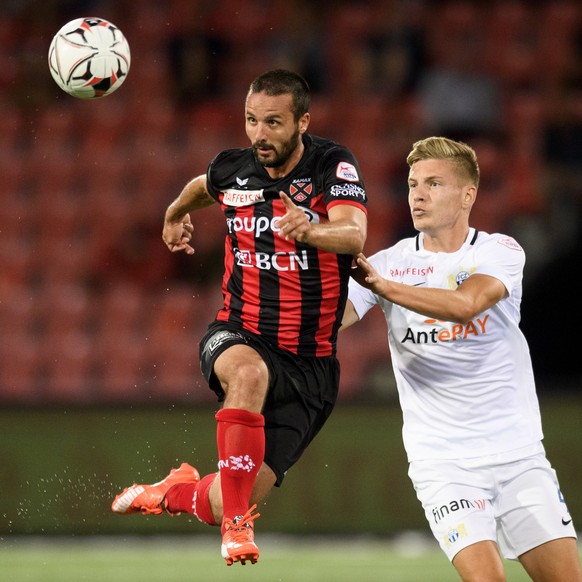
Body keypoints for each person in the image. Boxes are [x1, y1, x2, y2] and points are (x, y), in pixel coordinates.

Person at [111, 69, 368, 566]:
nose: (259, 134)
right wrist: (173, 212)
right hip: (239, 332)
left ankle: (174, 492)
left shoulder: (331, 166)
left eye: (273, 122)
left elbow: (353, 235)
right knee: (248, 374)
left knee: (227, 493)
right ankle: (236, 526)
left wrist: (310, 229)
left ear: (302, 122)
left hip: (311, 367)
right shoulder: (234, 169)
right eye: (252, 120)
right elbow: (202, 187)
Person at [341, 136, 581, 581]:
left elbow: (465, 304)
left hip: (518, 457)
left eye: (433, 183)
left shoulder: (499, 252)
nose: (418, 194)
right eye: (413, 183)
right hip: (444, 464)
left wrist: (382, 287)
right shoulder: (388, 262)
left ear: (467, 194)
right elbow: (329, 320)